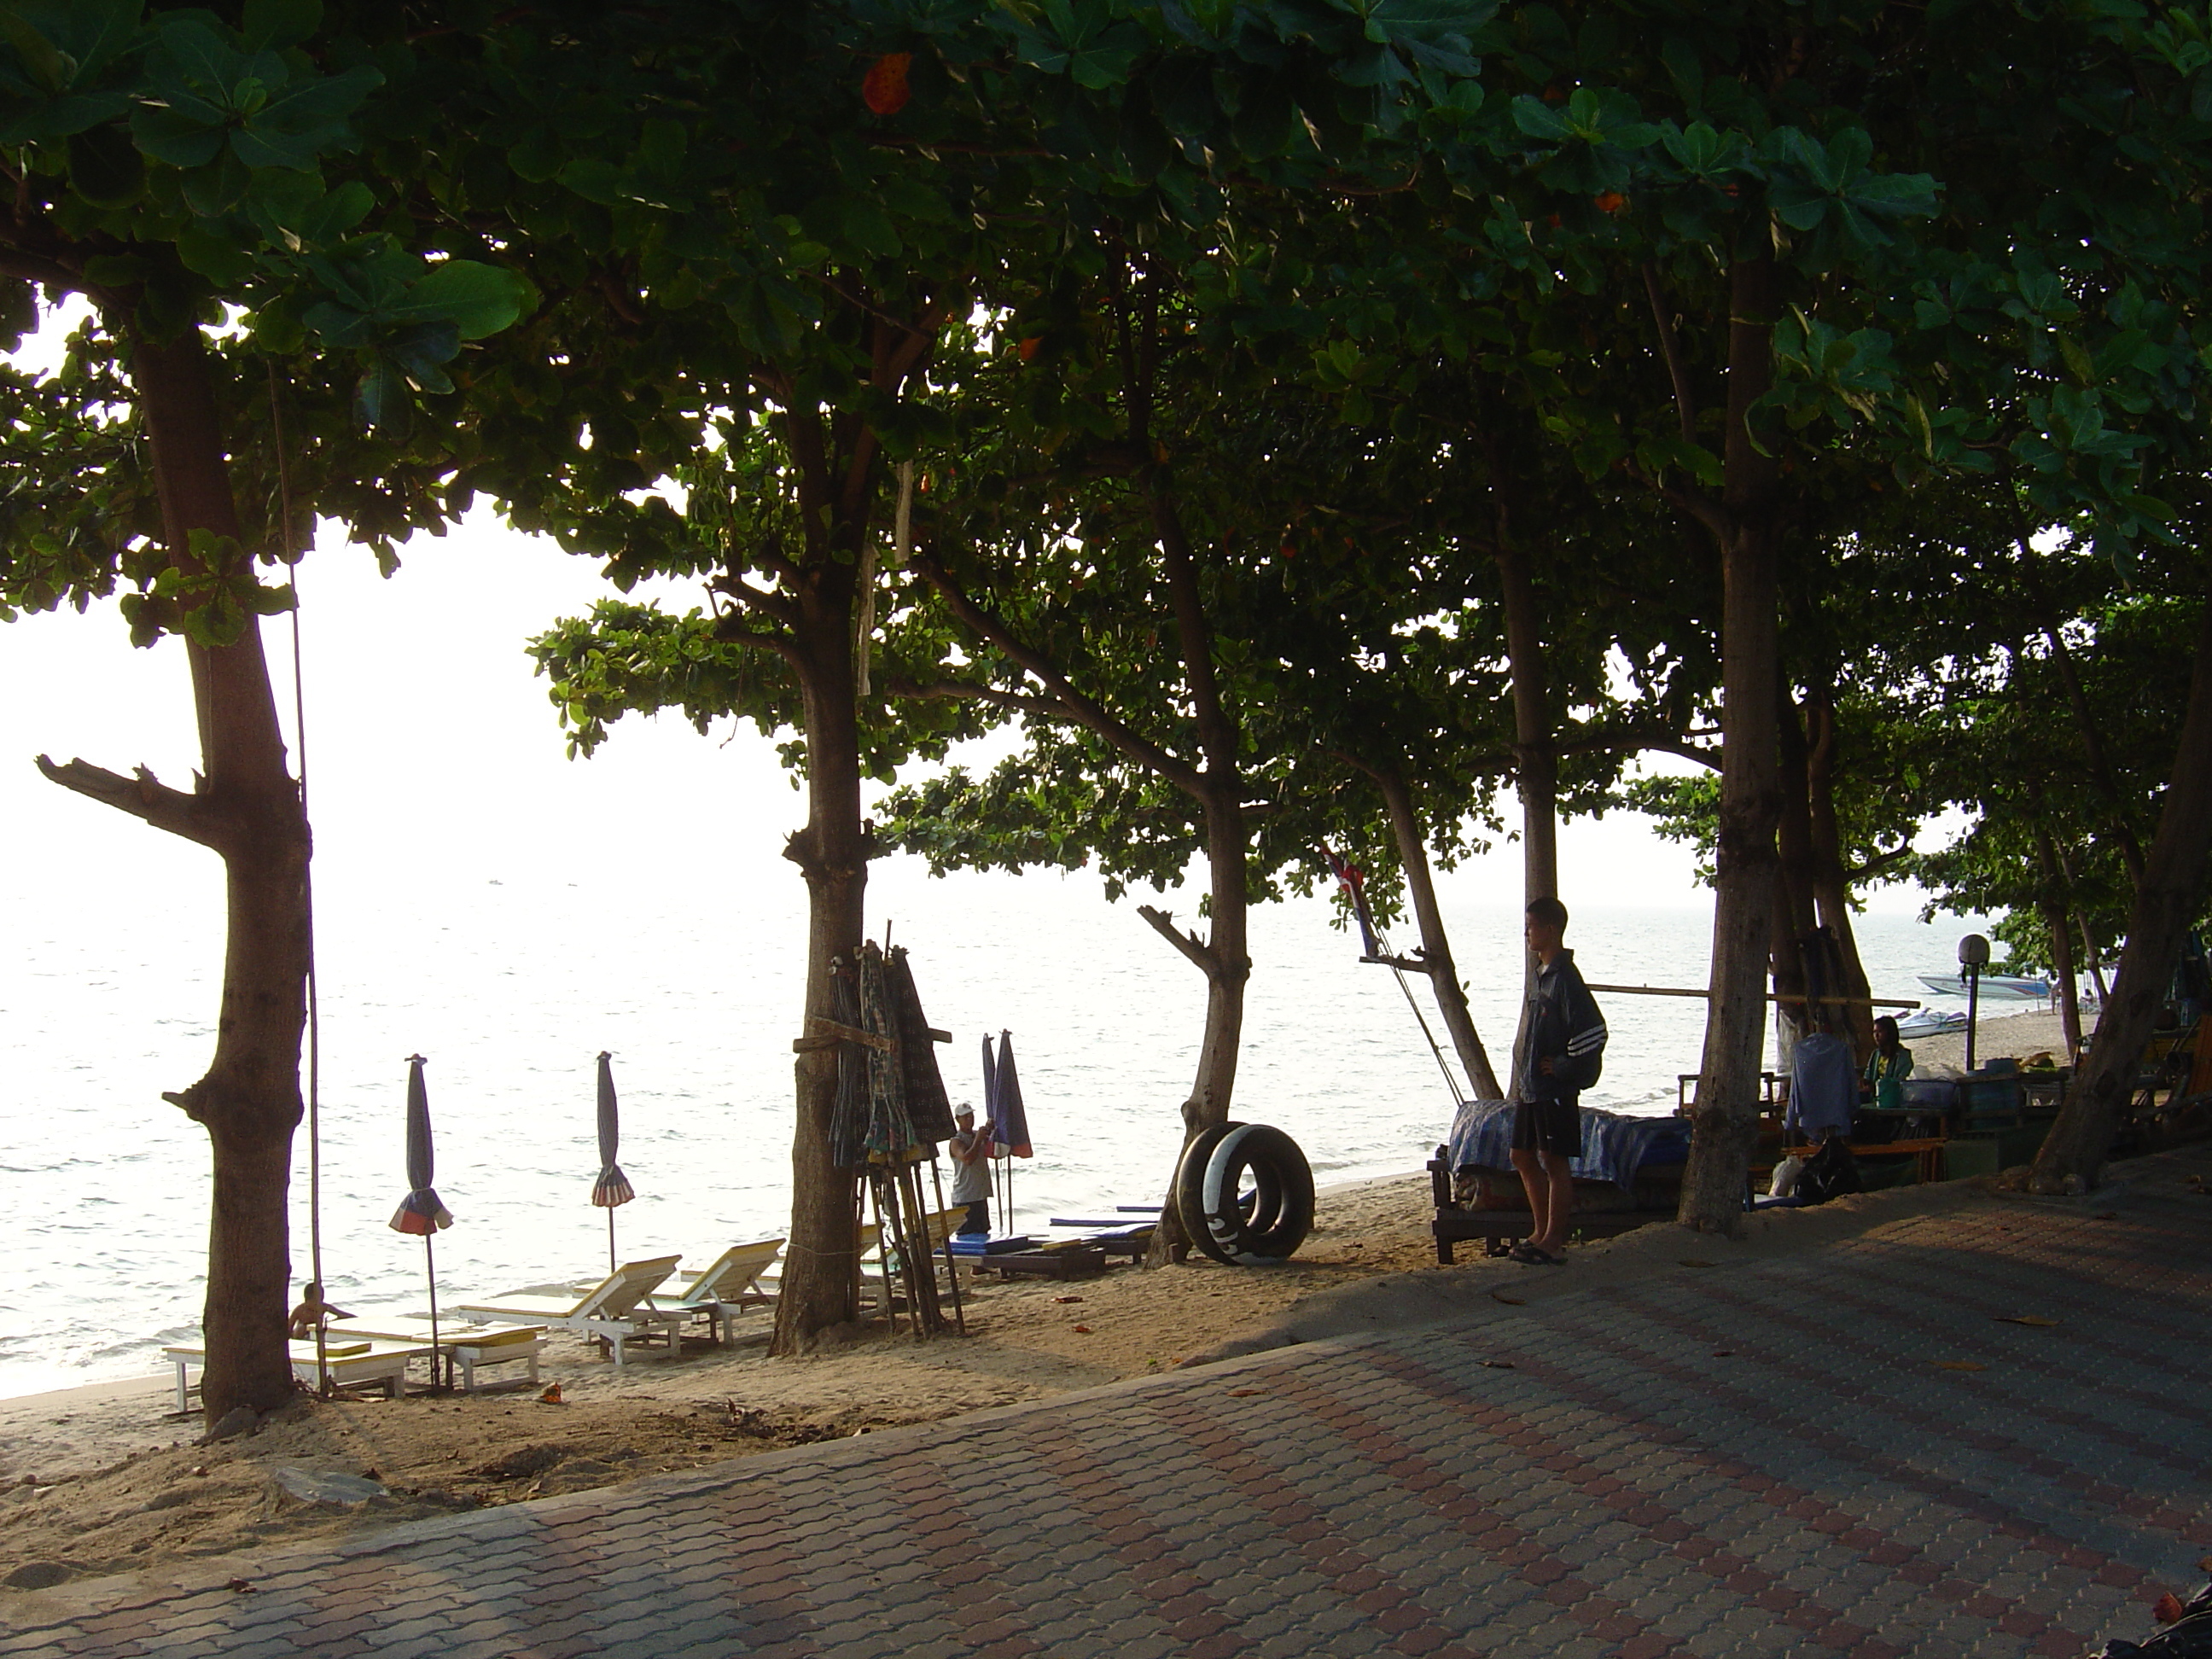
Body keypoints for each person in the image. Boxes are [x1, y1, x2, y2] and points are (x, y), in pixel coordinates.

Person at [1510, 896, 1608, 1266]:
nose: (1527, 933)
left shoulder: (1565, 977)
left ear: (1550, 929)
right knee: (1520, 1155)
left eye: (1532, 926)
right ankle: (1539, 1230)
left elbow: (1594, 1032)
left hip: (1553, 1089)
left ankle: (1553, 1239)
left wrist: (1564, 1065)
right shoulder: (1541, 974)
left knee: (1554, 1160)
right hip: (1531, 1086)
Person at [947, 1106, 995, 1237]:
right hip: (965, 1197)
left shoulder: (976, 1135)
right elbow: (968, 1159)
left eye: (971, 1116)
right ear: (958, 1119)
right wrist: (978, 1139)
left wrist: (988, 1130)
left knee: (983, 1231)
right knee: (966, 1234)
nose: (969, 1120)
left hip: (979, 1195)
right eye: (965, 1117)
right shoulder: (956, 1140)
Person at [1864, 1015, 1913, 1112]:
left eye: (1880, 1032)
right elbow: (1868, 1075)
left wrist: (1881, 1087)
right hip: (1876, 1100)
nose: (1876, 1036)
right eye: (1875, 1032)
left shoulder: (1902, 1055)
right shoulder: (1876, 1054)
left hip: (1893, 1102)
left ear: (1890, 1033)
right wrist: (1865, 1083)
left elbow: (1900, 1081)